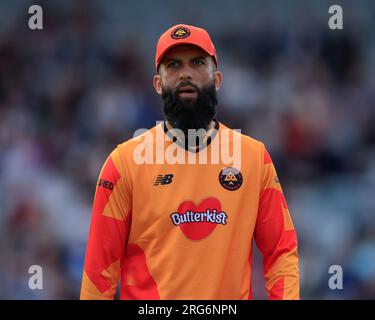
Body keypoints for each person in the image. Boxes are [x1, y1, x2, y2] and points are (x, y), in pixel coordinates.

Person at [80, 24, 300, 300]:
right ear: (158, 84)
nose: (185, 73)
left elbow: (281, 250)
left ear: (217, 78)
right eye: (173, 65)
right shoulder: (124, 164)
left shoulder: (254, 159)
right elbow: (98, 273)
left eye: (197, 63)